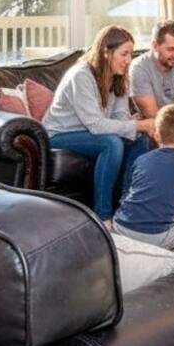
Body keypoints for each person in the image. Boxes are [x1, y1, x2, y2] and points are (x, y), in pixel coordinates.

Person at [44, 25, 155, 220]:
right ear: (106, 52)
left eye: (130, 54)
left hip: (89, 133)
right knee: (111, 143)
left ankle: (128, 209)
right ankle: (103, 217)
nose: (129, 60)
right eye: (124, 54)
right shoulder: (81, 75)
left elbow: (120, 115)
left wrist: (138, 127)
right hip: (59, 135)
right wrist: (139, 125)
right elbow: (96, 125)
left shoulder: (119, 78)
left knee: (140, 139)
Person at [112, 104, 174, 258]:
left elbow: (128, 190)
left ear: (156, 136)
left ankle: (158, 251)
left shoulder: (141, 159)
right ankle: (173, 250)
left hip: (121, 227)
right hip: (156, 235)